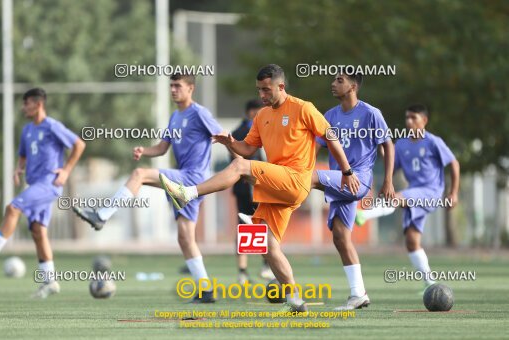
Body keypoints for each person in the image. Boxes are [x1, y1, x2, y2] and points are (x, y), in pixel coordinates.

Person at [160, 64, 360, 312]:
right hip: (277, 185)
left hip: (297, 179)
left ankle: (187, 193)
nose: (262, 95)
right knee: (266, 245)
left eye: (266, 90)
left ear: (281, 86)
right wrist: (229, 142)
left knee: (240, 167)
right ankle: (295, 299)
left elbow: (331, 138)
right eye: (259, 90)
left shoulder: (303, 108)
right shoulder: (262, 116)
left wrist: (347, 171)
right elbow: (245, 148)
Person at [73, 74, 223, 303]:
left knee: (140, 174)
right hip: (184, 180)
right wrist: (145, 150)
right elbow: (163, 148)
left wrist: (223, 143)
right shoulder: (175, 116)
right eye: (171, 86)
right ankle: (206, 291)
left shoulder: (199, 113)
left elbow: (222, 135)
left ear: (191, 88)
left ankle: (102, 215)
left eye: (178, 86)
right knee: (185, 238)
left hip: (192, 177)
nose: (173, 90)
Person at [312, 72, 395, 310]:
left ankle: (264, 215)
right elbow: (316, 148)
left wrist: (388, 181)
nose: (333, 83)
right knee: (340, 236)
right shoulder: (329, 116)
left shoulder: (371, 113)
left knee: (307, 178)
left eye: (340, 80)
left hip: (358, 179)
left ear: (353, 86)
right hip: (340, 182)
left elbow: (388, 145)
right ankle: (358, 294)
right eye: (333, 80)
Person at [355, 104, 460, 290]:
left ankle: (365, 215)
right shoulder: (401, 144)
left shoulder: (433, 141)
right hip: (414, 192)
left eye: (414, 118)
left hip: (431, 192)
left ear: (424, 121)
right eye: (407, 118)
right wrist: (383, 153)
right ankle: (431, 285)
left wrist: (453, 193)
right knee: (412, 241)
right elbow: (391, 166)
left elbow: (454, 163)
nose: (409, 121)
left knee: (395, 197)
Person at [0, 88, 86, 298]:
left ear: (38, 104)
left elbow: (79, 144)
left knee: (12, 208)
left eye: (26, 103)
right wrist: (19, 168)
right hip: (35, 184)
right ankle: (50, 282)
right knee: (38, 230)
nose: (23, 107)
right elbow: (23, 154)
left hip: (49, 184)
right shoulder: (27, 130)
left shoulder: (52, 126)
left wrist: (66, 170)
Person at [232, 99, 275, 284]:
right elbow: (239, 159)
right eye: (258, 111)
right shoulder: (242, 131)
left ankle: (265, 266)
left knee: (262, 225)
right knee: (247, 226)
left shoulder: (265, 127)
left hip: (260, 184)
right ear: (251, 112)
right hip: (246, 186)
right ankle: (243, 271)